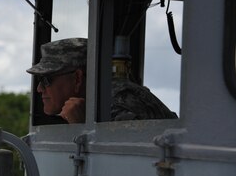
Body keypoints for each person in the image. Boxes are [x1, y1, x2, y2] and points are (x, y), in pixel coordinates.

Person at [26, 37, 177, 124]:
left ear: (77, 78)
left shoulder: (115, 102)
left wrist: (81, 125)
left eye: (46, 80)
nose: (39, 88)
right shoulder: (98, 101)